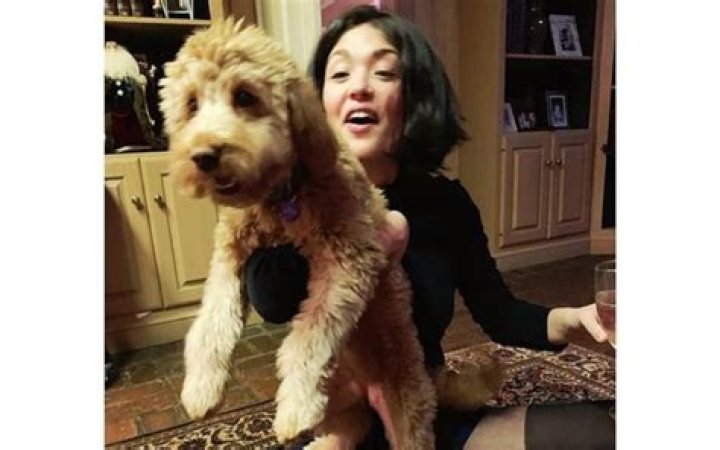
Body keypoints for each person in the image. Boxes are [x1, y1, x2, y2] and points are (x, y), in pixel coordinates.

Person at [244, 5, 613, 449]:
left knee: (597, 432)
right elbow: (272, 300)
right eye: (339, 74)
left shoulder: (445, 203)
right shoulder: (290, 196)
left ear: (414, 97)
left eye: (384, 73)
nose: (359, 87)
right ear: (317, 102)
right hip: (339, 425)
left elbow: (499, 313)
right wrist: (339, 220)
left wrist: (575, 320)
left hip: (420, 409)